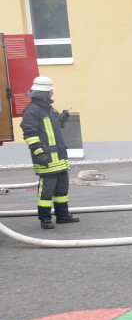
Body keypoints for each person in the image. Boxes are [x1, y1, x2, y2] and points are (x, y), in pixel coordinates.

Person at [20, 76, 79, 230]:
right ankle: (45, 219)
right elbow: (30, 133)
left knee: (61, 190)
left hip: (58, 157)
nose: (52, 93)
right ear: (45, 93)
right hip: (46, 158)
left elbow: (52, 127)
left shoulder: (48, 108)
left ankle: (63, 216)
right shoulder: (32, 110)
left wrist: (62, 119)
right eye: (50, 90)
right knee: (46, 191)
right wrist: (39, 153)